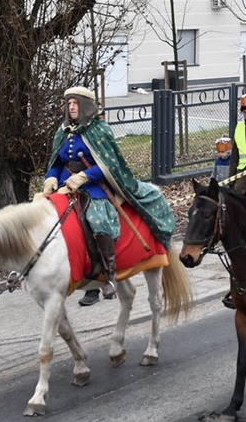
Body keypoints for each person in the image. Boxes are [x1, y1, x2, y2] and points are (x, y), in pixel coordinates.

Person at [43, 86, 177, 300]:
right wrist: (50, 177)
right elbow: (57, 162)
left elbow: (109, 164)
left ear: (85, 105)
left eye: (75, 103)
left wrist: (84, 176)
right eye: (68, 104)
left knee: (98, 221)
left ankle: (109, 275)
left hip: (93, 187)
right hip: (65, 186)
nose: (71, 107)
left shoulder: (100, 130)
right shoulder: (63, 131)